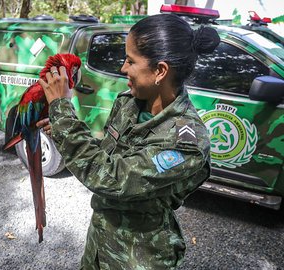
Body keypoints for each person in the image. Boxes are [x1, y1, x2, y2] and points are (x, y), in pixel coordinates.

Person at [37, 13, 220, 270]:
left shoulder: (185, 142)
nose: (123, 68)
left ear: (160, 71)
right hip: (100, 241)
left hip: (140, 255)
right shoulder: (129, 102)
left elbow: (110, 177)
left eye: (130, 61)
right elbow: (107, 156)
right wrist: (63, 130)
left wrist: (61, 109)